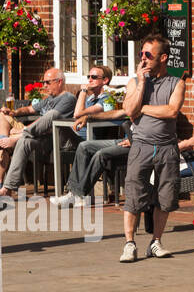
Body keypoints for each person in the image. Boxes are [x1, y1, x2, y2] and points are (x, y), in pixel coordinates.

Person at [120, 34, 186, 262]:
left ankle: (156, 242)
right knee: (133, 194)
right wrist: (141, 83)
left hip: (167, 147)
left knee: (165, 196)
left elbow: (171, 112)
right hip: (141, 146)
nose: (144, 59)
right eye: (141, 54)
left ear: (163, 57)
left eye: (149, 55)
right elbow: (130, 111)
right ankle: (129, 243)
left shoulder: (176, 82)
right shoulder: (135, 82)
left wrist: (144, 108)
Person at [49, 64, 123, 207]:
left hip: (88, 138)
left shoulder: (107, 98)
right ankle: (72, 194)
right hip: (77, 137)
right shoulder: (90, 98)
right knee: (52, 122)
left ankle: (73, 194)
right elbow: (78, 114)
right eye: (89, 76)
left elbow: (77, 114)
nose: (90, 80)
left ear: (105, 80)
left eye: (94, 77)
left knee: (56, 122)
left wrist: (82, 91)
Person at [0, 67, 78, 199]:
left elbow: (48, 124)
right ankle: (7, 188)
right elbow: (30, 109)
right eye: (43, 83)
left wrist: (22, 132)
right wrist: (14, 112)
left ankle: (15, 138)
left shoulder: (68, 98)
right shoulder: (48, 99)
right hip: (39, 136)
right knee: (3, 116)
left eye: (48, 82)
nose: (44, 86)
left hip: (56, 138)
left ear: (59, 82)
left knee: (50, 116)